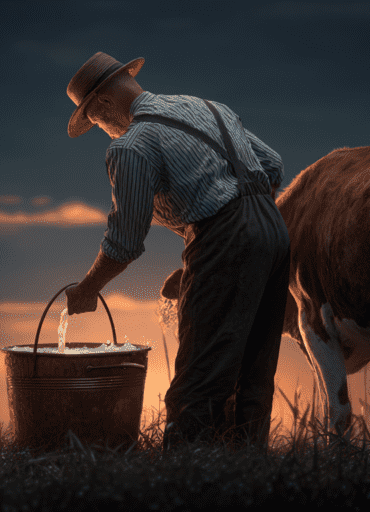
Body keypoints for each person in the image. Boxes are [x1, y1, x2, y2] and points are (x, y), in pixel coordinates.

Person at [61, 52, 290, 449]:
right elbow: (271, 165)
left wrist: (88, 288)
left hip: (226, 238)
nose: (103, 130)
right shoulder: (208, 108)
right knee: (254, 368)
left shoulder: (131, 146)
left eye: (95, 122)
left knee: (200, 373)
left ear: (103, 104)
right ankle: (247, 468)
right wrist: (237, 239)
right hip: (274, 231)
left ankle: (184, 473)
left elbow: (125, 241)